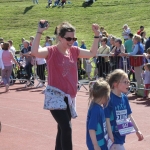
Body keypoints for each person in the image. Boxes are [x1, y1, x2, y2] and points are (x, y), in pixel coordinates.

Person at [31, 20, 100, 150]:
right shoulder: (51, 51)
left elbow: (92, 53)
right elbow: (35, 52)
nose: (71, 41)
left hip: (69, 96)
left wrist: (97, 35)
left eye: (74, 38)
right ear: (60, 38)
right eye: (68, 38)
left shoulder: (74, 51)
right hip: (55, 95)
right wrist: (39, 32)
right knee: (67, 127)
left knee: (62, 129)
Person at [104, 69, 144, 150]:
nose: (128, 84)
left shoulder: (124, 98)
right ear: (115, 84)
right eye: (125, 82)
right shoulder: (109, 98)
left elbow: (129, 115)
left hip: (121, 135)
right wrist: (110, 134)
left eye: (128, 82)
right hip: (112, 137)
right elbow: (106, 118)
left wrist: (137, 130)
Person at [86, 78, 111, 150]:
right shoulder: (96, 110)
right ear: (104, 96)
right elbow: (91, 129)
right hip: (97, 143)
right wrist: (95, 145)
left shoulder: (97, 106)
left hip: (101, 142)